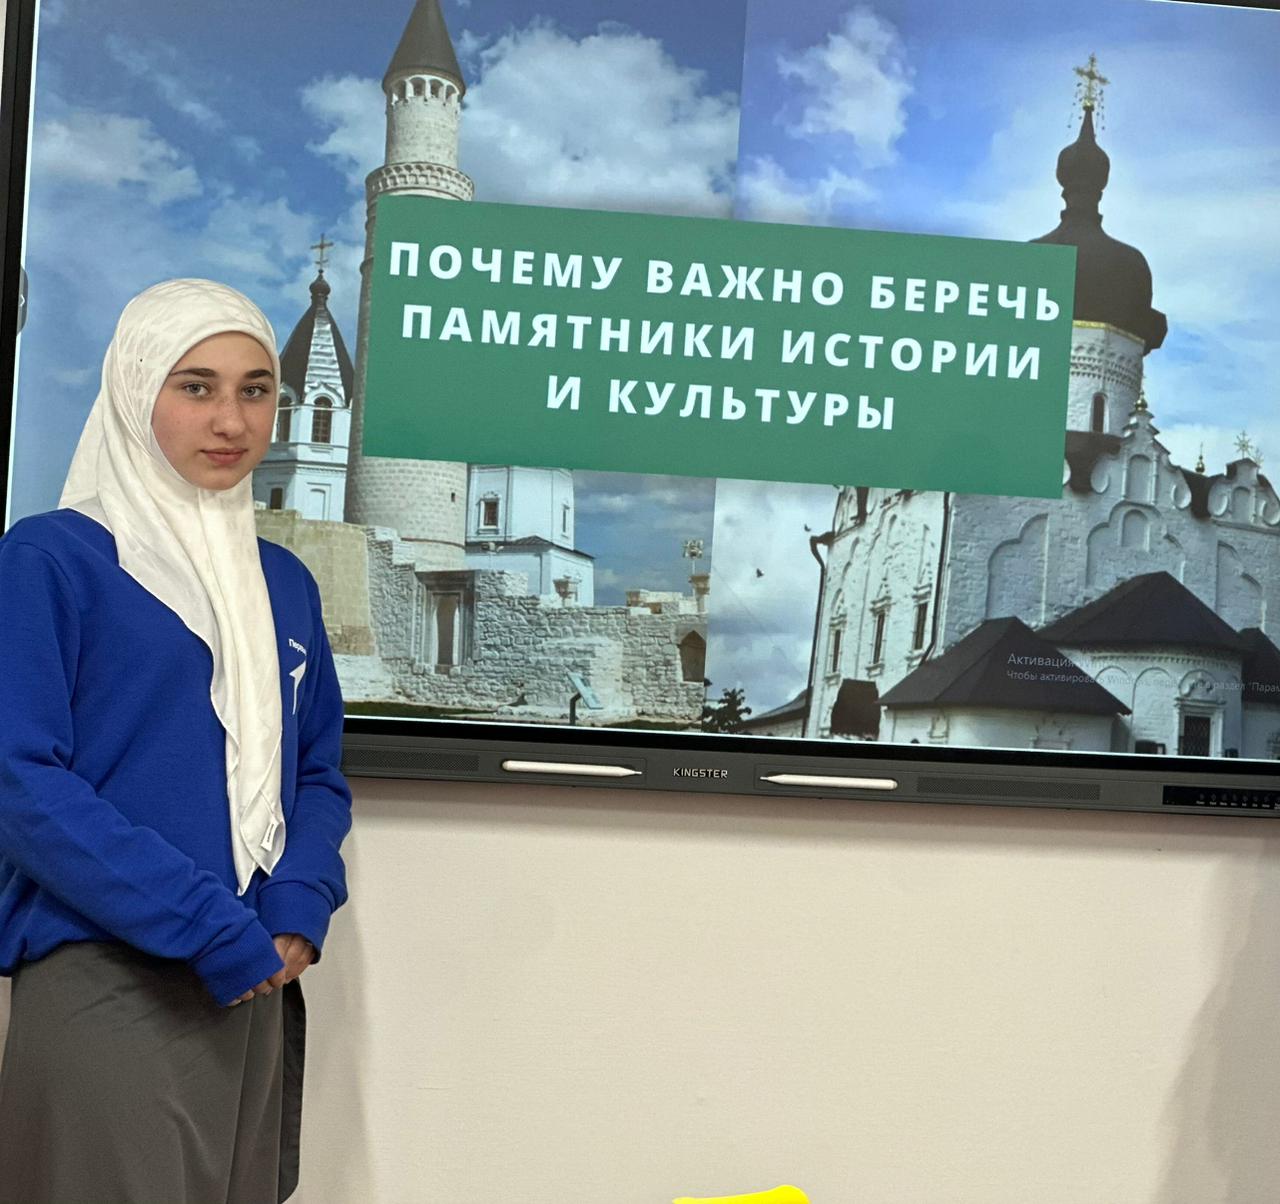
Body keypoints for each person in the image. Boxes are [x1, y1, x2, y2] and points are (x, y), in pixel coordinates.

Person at [0, 278, 353, 1203]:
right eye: (195, 387)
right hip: (111, 972)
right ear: (133, 390)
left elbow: (314, 771)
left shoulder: (283, 583)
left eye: (255, 389)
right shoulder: (52, 559)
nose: (231, 420)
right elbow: (20, 782)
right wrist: (204, 923)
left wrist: (297, 905)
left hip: (255, 979)